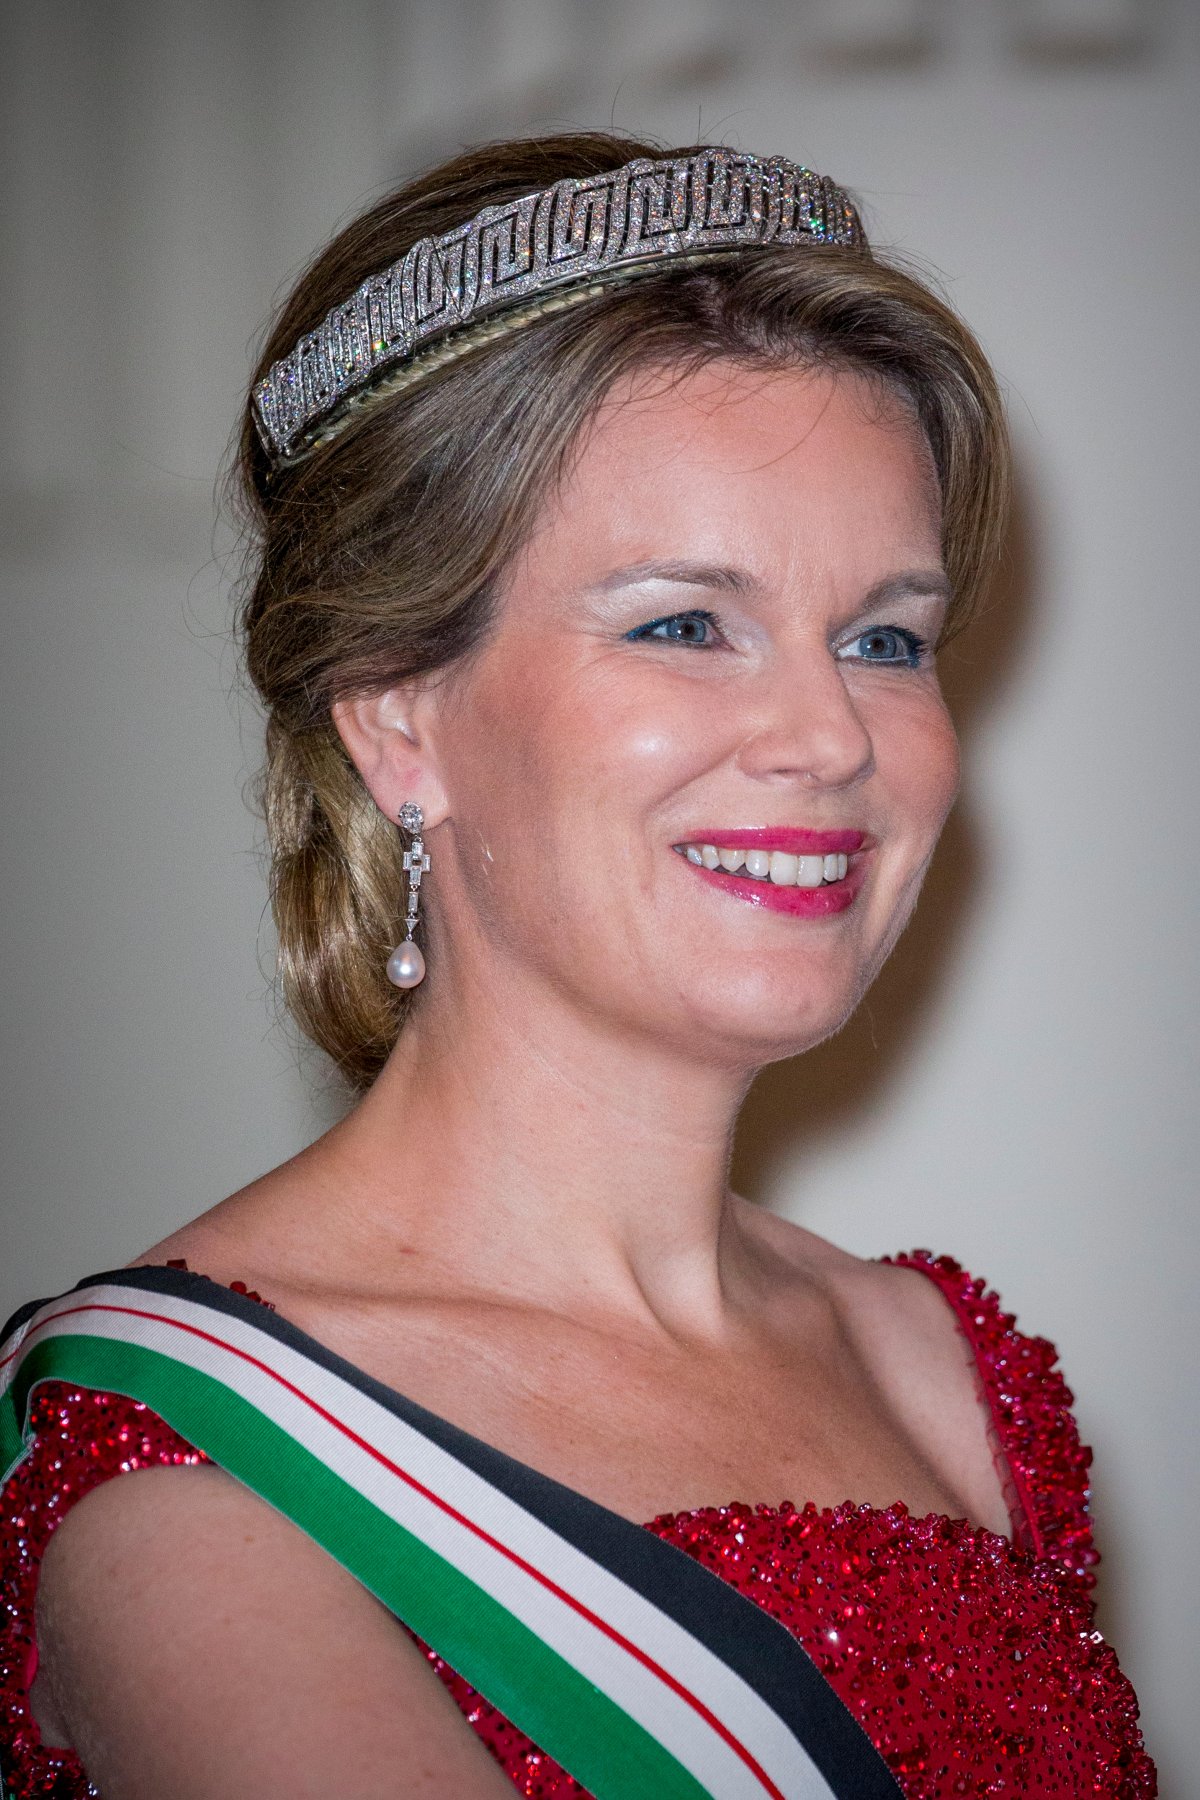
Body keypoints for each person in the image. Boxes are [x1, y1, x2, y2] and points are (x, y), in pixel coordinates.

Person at [0, 133, 1155, 1799]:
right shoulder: (194, 1493)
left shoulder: (937, 1364)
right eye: (685, 622)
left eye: (885, 637)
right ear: (401, 715)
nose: (833, 735)